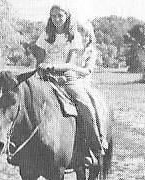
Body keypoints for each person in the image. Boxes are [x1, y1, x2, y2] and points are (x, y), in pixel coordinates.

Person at [35, 4, 103, 167]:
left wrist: (53, 67)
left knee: (85, 105)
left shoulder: (74, 36)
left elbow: (71, 64)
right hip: (46, 77)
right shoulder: (45, 35)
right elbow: (39, 56)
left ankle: (93, 147)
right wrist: (41, 67)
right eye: (53, 16)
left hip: (67, 78)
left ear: (67, 16)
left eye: (60, 15)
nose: (57, 19)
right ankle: (18, 146)